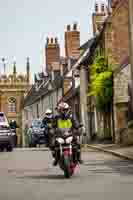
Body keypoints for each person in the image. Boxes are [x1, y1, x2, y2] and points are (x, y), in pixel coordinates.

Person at [53, 102, 83, 166]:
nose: (63, 112)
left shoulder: (72, 116)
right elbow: (53, 126)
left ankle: (78, 158)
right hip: (60, 135)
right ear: (58, 111)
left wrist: (78, 128)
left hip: (70, 134)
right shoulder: (56, 118)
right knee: (54, 144)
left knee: (77, 143)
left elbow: (76, 124)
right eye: (61, 110)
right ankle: (56, 158)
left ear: (68, 110)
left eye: (65, 110)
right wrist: (52, 130)